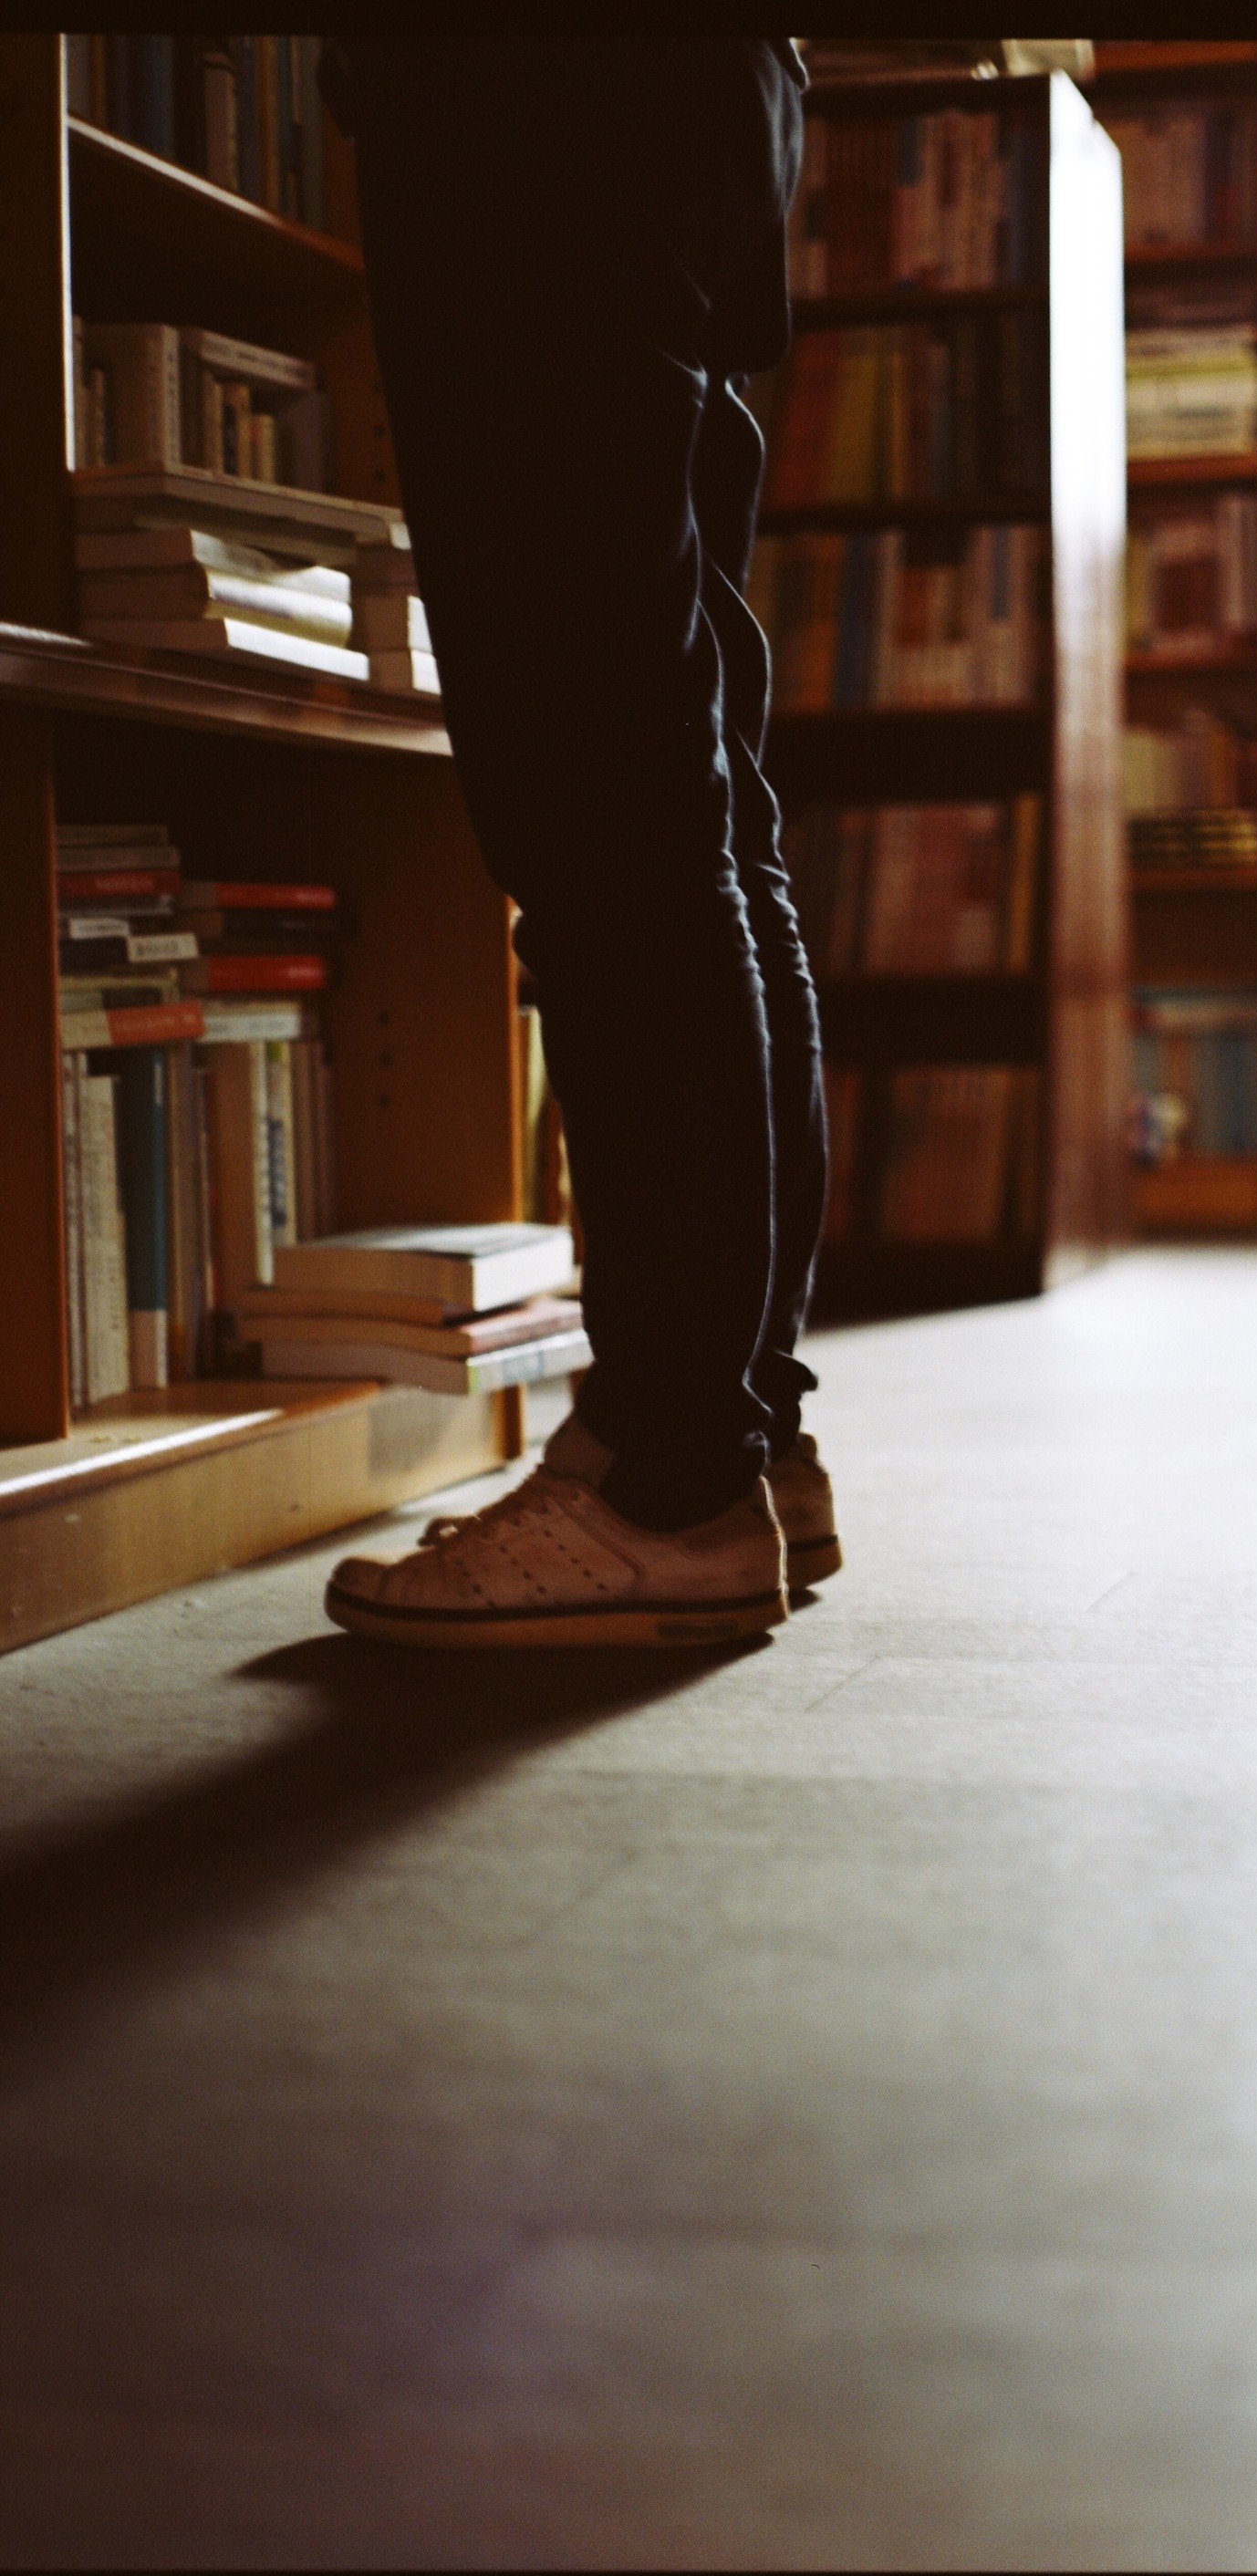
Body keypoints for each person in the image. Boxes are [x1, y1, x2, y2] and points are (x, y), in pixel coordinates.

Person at [320, 36, 841, 1649]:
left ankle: (673, 1491)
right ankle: (735, 1435)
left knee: (609, 806)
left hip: (536, 103)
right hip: (703, 96)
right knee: (692, 799)